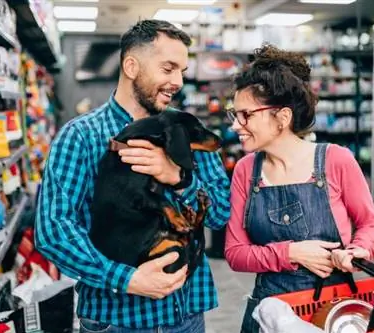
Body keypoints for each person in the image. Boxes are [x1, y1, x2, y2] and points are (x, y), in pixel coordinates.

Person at [35, 20, 231, 333]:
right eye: (168, 68)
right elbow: (53, 231)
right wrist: (126, 279)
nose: (178, 81)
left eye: (181, 70)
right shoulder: (82, 136)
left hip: (186, 317)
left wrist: (179, 179)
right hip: (116, 320)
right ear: (131, 66)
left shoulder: (186, 129)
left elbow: (220, 214)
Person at [223, 45, 374, 333]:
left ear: (282, 118)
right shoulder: (247, 170)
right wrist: (291, 252)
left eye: (245, 115)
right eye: (234, 114)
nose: (236, 125)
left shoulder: (336, 160)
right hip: (268, 312)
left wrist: (356, 251)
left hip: (330, 311)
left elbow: (369, 224)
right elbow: (235, 253)